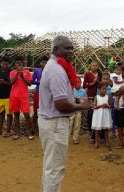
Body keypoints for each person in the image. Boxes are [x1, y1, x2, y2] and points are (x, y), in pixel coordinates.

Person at [38, 35, 93, 192]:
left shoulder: (55, 67)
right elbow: (61, 104)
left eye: (72, 48)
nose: (71, 51)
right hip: (55, 123)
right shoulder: (56, 71)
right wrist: (81, 106)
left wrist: (75, 100)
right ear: (56, 49)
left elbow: (60, 97)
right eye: (67, 48)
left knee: (51, 167)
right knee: (55, 169)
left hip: (52, 122)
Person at [10, 56, 32, 140]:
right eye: (17, 63)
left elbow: (29, 84)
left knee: (26, 114)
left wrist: (23, 77)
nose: (18, 64)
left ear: (23, 64)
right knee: (16, 115)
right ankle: (17, 133)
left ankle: (29, 132)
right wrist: (17, 74)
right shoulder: (12, 72)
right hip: (14, 96)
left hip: (24, 96)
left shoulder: (27, 72)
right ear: (15, 65)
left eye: (20, 63)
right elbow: (12, 82)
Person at [82, 61, 101, 143]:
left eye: (96, 65)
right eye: (93, 65)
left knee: (99, 115)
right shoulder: (87, 74)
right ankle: (91, 131)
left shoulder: (100, 74)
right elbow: (84, 85)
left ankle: (99, 134)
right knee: (90, 115)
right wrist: (93, 83)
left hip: (100, 97)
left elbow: (103, 84)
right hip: (90, 97)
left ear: (98, 66)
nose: (94, 67)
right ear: (91, 66)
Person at [91, 83, 112, 150]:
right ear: (99, 89)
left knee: (105, 129)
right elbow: (94, 107)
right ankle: (96, 142)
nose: (104, 90)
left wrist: (107, 106)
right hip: (98, 115)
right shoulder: (96, 97)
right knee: (97, 129)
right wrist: (100, 106)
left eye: (105, 89)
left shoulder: (107, 97)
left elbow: (110, 105)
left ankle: (107, 142)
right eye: (103, 89)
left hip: (105, 114)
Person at [32, 56, 48, 135]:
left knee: (45, 111)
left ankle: (43, 129)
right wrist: (38, 82)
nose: (44, 64)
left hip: (47, 93)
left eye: (45, 62)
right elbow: (31, 81)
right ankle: (33, 128)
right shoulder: (37, 71)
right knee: (36, 111)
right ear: (40, 63)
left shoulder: (50, 71)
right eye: (43, 62)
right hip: (38, 92)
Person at [70, 76, 87, 144]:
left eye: (79, 82)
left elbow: (85, 100)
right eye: (76, 82)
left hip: (79, 111)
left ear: (81, 83)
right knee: (69, 125)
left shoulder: (83, 91)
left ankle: (75, 139)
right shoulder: (71, 90)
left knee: (77, 125)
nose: (77, 83)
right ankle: (66, 138)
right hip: (71, 111)